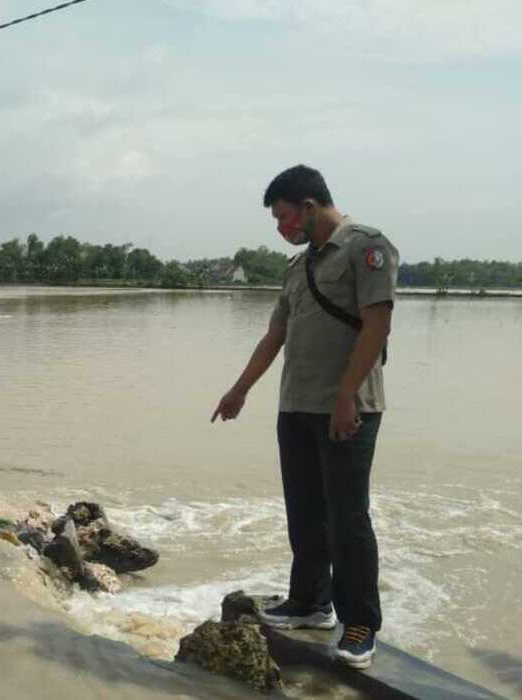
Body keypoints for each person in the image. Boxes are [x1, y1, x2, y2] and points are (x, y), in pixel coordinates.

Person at [211, 165, 398, 670]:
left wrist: (345, 396)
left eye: (285, 217)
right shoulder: (298, 268)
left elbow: (375, 328)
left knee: (348, 517)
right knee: (304, 511)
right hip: (295, 406)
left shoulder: (366, 248)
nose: (281, 228)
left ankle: (360, 622)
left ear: (311, 206)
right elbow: (275, 335)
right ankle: (310, 602)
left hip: (347, 408)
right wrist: (240, 388)